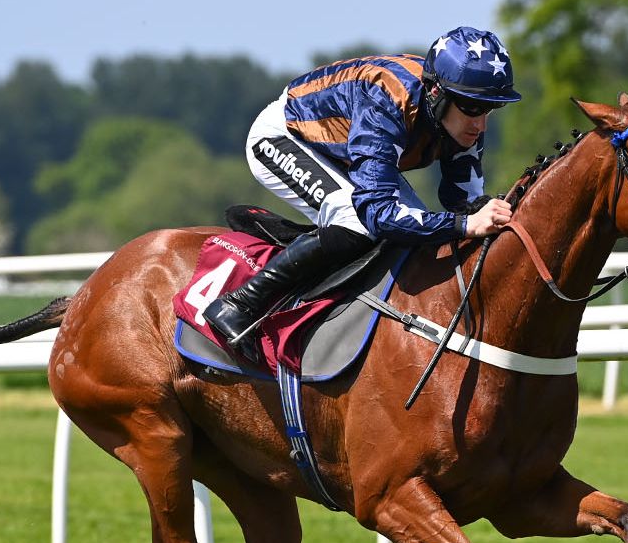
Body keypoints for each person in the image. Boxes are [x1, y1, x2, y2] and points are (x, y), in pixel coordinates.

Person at [203, 25, 521, 364]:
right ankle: (240, 303)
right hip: (284, 137)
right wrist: (465, 224)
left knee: (414, 233)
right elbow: (381, 215)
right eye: (473, 108)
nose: (481, 123)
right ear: (435, 93)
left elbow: (463, 202)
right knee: (359, 221)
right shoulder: (386, 99)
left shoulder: (463, 119)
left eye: (490, 108)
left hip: (343, 154)